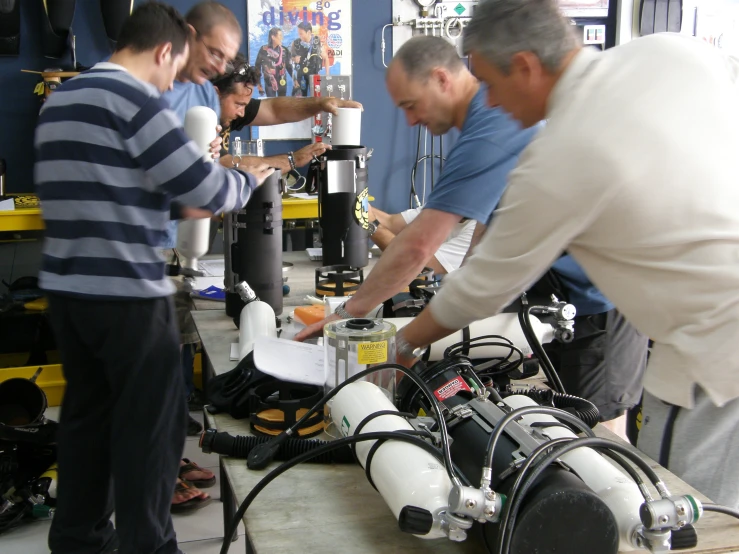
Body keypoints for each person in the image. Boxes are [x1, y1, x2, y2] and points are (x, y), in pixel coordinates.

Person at [393, 0, 739, 509]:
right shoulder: (670, 52)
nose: (490, 100)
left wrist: (400, 345)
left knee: (688, 516)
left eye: (489, 83)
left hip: (715, 358)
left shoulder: (563, 152)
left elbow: (485, 286)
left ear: (527, 67)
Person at [295, 36, 648, 439]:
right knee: (562, 427)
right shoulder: (489, 123)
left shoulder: (493, 126)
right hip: (557, 302)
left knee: (599, 438)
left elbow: (418, 245)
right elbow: (481, 241)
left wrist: (351, 316)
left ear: (441, 79)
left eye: (411, 106)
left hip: (603, 305)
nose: (409, 122)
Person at [34, 3, 273, 553]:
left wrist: (164, 198)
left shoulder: (62, 99)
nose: (172, 85)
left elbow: (100, 195)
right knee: (153, 434)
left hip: (70, 295)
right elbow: (206, 191)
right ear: (165, 51)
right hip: (127, 297)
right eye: (176, 69)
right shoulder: (137, 101)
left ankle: (78, 540)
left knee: (87, 424)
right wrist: (249, 179)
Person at [210, 53, 361, 172]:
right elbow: (223, 164)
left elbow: (274, 110)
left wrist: (321, 103)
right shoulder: (197, 120)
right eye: (239, 104)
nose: (242, 113)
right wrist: (292, 160)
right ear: (215, 94)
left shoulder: (226, 110)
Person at [368, 204, 476, 275]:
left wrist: (368, 223)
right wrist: (356, 201)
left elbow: (419, 264)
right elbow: (391, 223)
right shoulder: (445, 203)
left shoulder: (480, 228)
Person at [291, 20, 328, 97]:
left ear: (308, 32)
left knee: (317, 98)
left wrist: (327, 76)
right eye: (298, 33)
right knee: (299, 100)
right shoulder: (295, 43)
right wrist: (294, 59)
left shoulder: (318, 43)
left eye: (301, 33)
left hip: (315, 75)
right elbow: (289, 60)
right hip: (301, 76)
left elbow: (326, 58)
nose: (299, 36)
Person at [255, 27, 292, 97]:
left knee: (282, 103)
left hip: (282, 81)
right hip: (269, 81)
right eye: (280, 36)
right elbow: (257, 66)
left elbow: (289, 67)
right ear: (273, 37)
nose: (282, 38)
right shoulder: (263, 50)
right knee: (271, 102)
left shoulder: (285, 50)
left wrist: (295, 80)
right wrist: (258, 83)